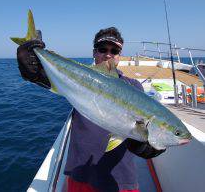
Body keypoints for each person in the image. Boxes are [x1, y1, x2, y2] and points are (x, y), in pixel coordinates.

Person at [17, 27, 165, 192]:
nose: (108, 54)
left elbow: (147, 139)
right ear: (94, 52)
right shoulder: (80, 78)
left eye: (114, 50)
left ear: (119, 56)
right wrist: (32, 69)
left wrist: (144, 146)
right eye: (103, 49)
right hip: (81, 174)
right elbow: (45, 78)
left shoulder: (134, 87)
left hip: (121, 179)